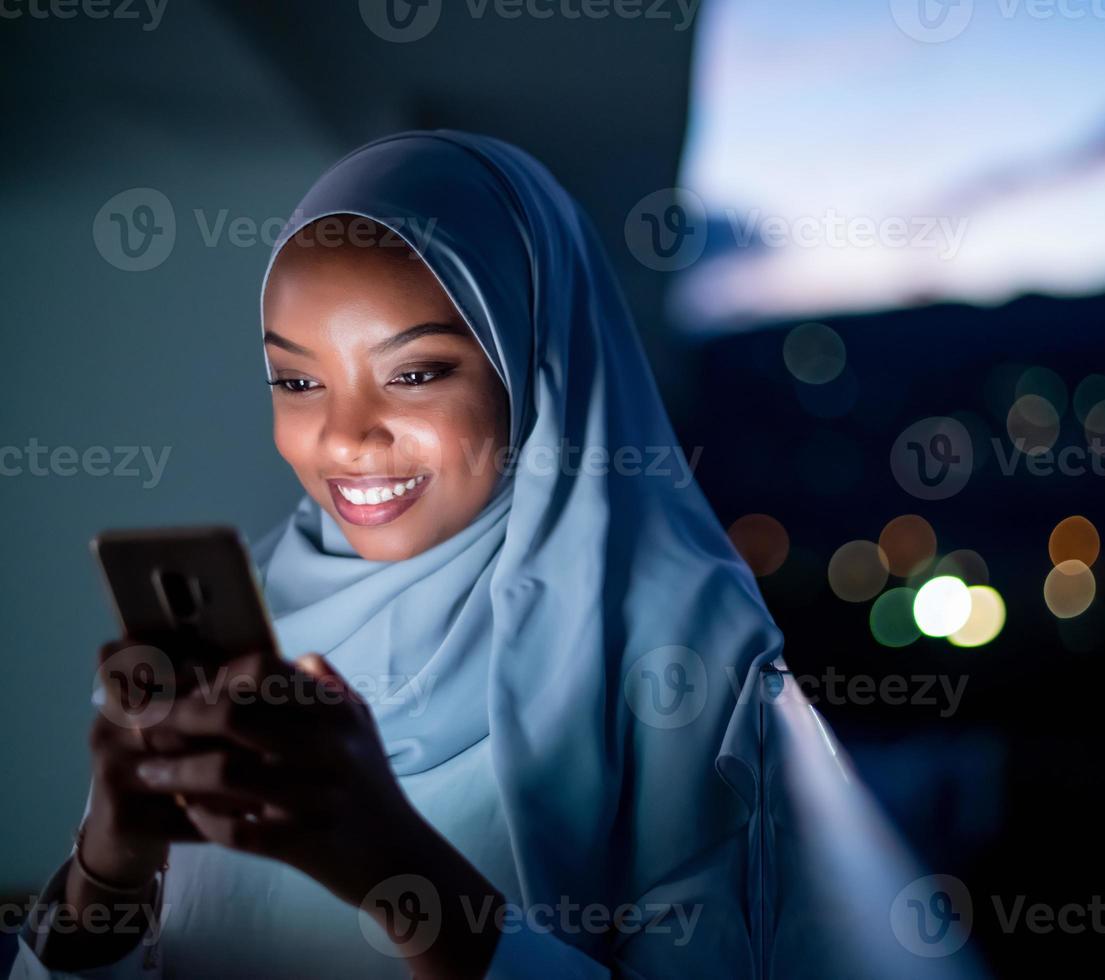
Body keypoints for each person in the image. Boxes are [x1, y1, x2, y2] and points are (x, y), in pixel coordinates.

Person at [12, 131, 787, 979]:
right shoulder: (249, 620)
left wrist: (395, 870)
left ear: (537, 364)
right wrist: (107, 873)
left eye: (415, 373)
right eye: (298, 382)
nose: (344, 438)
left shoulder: (684, 644)